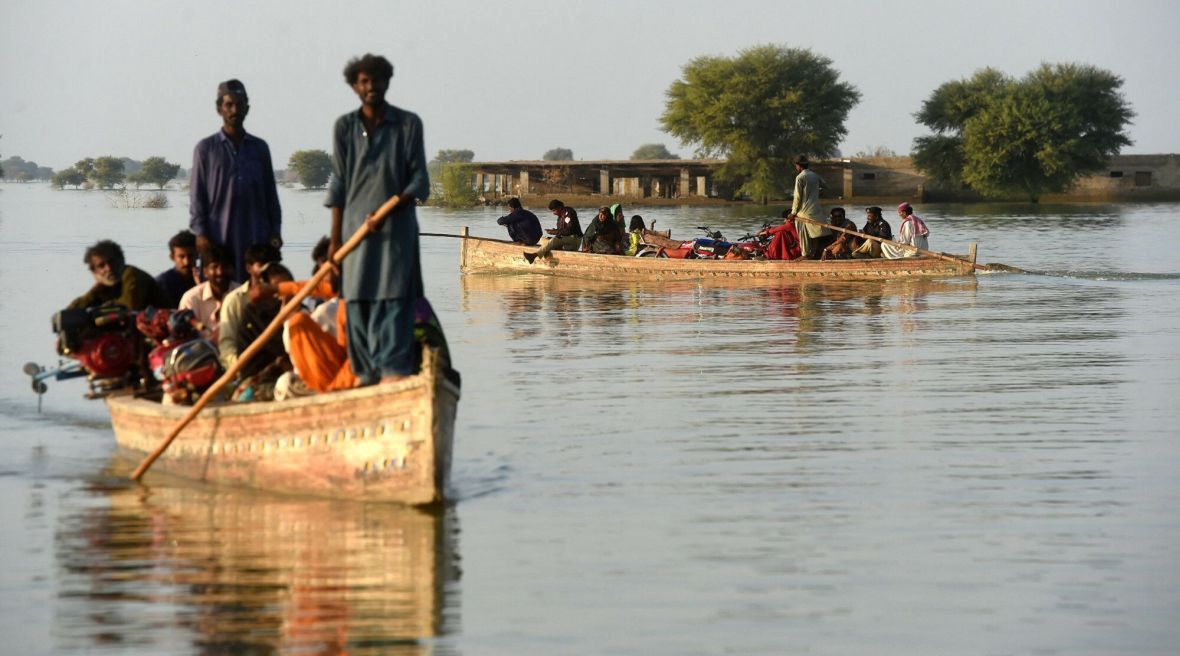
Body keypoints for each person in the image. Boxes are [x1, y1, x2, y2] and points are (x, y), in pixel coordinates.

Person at [326, 53, 431, 386]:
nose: (370, 87)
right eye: (363, 82)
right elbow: (340, 183)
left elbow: (419, 181)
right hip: (355, 236)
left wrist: (392, 206)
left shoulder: (408, 124)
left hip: (395, 234)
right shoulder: (344, 127)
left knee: (394, 299)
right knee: (356, 301)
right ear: (355, 86)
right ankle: (366, 380)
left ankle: (394, 378)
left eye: (376, 80)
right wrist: (334, 240)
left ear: (387, 82)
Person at [190, 79, 283, 284]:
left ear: (247, 108)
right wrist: (201, 234)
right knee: (220, 293)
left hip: (256, 236)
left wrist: (275, 231)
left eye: (239, 104)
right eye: (229, 105)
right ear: (219, 109)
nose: (234, 109)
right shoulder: (206, 149)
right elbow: (197, 199)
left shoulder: (259, 148)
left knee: (257, 290)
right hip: (219, 238)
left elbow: (271, 196)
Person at [218, 243, 281, 371]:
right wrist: (240, 367)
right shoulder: (235, 300)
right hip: (245, 369)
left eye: (272, 266)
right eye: (262, 265)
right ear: (249, 268)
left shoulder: (283, 297)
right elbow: (227, 344)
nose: (267, 271)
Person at [69, 240, 171, 311]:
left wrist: (102, 307)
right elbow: (71, 311)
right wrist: (93, 293)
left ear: (122, 260)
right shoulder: (103, 286)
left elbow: (130, 304)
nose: (108, 268)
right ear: (94, 272)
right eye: (101, 266)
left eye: (112, 262)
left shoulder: (131, 274)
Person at [179, 243, 234, 342]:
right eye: (214, 267)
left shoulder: (241, 294)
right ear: (205, 271)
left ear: (232, 269)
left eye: (224, 266)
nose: (220, 272)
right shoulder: (191, 298)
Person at [786, 155, 829, 259]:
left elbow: (797, 197)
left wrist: (793, 213)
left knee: (801, 228)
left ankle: (805, 254)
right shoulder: (815, 175)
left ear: (798, 166)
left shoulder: (800, 177)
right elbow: (826, 186)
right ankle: (813, 252)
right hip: (816, 211)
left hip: (805, 212)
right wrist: (815, 190)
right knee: (814, 235)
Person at [524, 199, 582, 263]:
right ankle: (557, 248)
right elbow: (561, 231)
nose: (553, 213)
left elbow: (569, 230)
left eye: (554, 210)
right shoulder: (560, 216)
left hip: (574, 239)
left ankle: (534, 256)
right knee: (543, 240)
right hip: (565, 240)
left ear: (559, 208)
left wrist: (555, 232)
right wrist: (553, 231)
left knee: (554, 240)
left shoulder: (569, 213)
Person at [154, 230, 198, 307]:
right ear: (172, 257)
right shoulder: (163, 283)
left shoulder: (207, 280)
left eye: (190, 256)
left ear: (197, 255)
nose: (186, 262)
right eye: (181, 257)